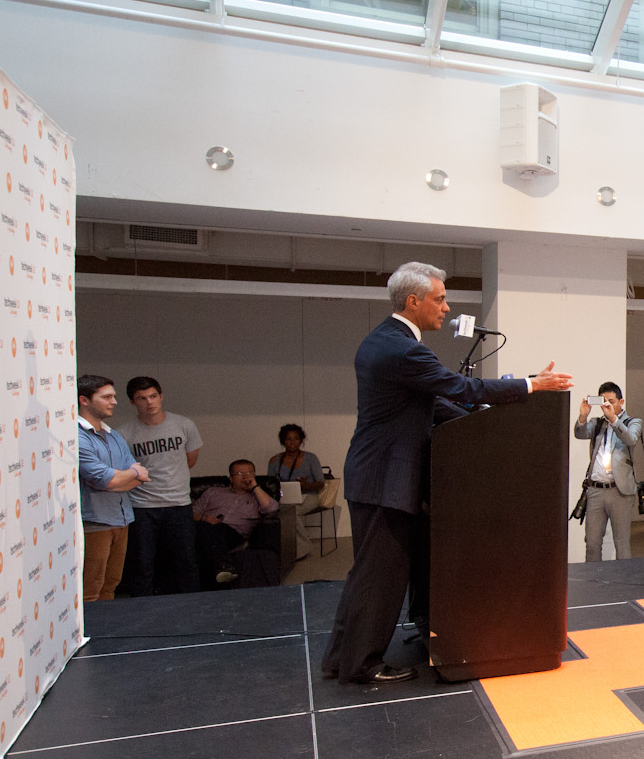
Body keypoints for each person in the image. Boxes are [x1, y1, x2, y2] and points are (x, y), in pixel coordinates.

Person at [322, 262, 569, 686]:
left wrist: (481, 418)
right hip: (385, 480)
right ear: (413, 301)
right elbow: (459, 387)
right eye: (439, 299)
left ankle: (342, 657)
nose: (446, 307)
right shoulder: (403, 349)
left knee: (368, 571)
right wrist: (531, 386)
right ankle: (361, 664)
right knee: (380, 577)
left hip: (374, 475)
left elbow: (430, 405)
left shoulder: (385, 340)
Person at [116, 375, 202, 596]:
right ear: (132, 402)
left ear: (161, 396)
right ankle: (142, 610)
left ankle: (192, 606)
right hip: (142, 506)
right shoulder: (124, 433)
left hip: (178, 503)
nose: (149, 402)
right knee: (142, 564)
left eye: (153, 396)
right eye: (142, 398)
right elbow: (124, 471)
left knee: (186, 561)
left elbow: (190, 460)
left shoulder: (184, 425)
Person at [77, 375, 148, 602]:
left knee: (111, 585)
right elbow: (103, 479)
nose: (114, 402)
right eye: (106, 397)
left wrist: (125, 476)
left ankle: (105, 633)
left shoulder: (113, 435)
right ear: (84, 400)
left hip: (122, 519)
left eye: (114, 396)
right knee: (91, 588)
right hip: (94, 522)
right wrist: (125, 475)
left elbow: (140, 476)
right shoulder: (77, 436)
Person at [575, 381, 644, 562]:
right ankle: (594, 582)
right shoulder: (598, 423)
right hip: (596, 490)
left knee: (621, 543)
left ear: (621, 402)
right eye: (604, 401)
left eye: (612, 401)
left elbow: (630, 439)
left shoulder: (633, 422)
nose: (607, 405)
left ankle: (624, 584)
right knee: (591, 542)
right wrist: (583, 416)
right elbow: (580, 433)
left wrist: (614, 419)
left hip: (619, 491)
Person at [193, 459, 278, 586]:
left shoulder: (257, 496)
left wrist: (255, 487)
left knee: (209, 530)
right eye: (239, 474)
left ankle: (223, 567)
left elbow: (272, 508)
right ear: (231, 478)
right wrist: (204, 518)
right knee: (204, 529)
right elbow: (191, 512)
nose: (245, 477)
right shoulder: (213, 492)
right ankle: (223, 568)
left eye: (249, 473)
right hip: (206, 528)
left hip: (235, 534)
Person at [269, 423, 325, 559]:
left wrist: (306, 485)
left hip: (308, 496)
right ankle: (289, 547)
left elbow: (321, 483)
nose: (292, 442)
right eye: (288, 439)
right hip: (285, 498)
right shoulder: (275, 460)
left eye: (296, 438)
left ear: (301, 440)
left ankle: (302, 549)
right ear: (283, 441)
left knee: (291, 512)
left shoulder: (311, 458)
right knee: (282, 510)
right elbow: (269, 483)